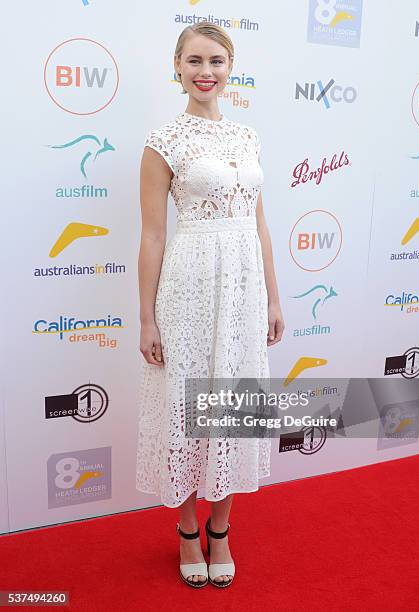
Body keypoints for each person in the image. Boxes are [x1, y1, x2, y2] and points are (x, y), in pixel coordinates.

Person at [135, 21, 284, 588]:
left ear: (230, 68)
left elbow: (260, 224)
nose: (206, 72)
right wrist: (147, 316)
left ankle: (221, 529)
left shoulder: (248, 137)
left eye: (216, 61)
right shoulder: (163, 141)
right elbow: (152, 236)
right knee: (187, 403)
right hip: (190, 284)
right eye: (194, 61)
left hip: (244, 287)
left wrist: (272, 296)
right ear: (177, 67)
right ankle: (186, 530)